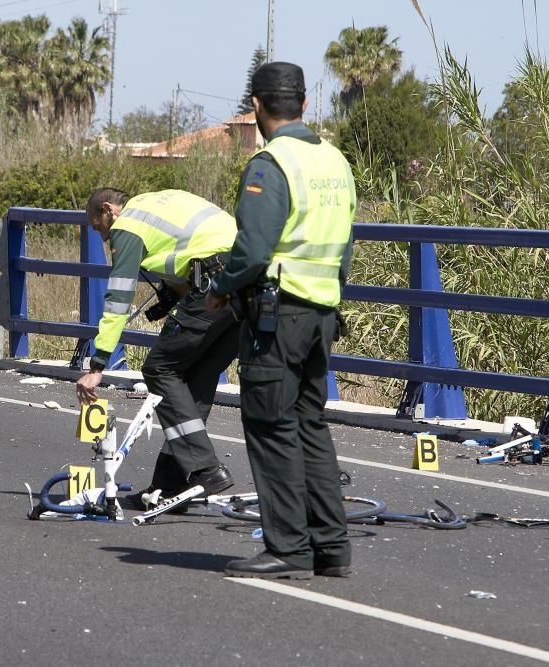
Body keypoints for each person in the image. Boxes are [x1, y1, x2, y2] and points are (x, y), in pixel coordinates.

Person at [206, 62, 357, 579]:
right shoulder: (334, 160)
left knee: (271, 425)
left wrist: (221, 291)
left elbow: (251, 251)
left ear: (256, 106)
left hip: (278, 312)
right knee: (311, 423)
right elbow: (344, 248)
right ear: (305, 104)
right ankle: (330, 550)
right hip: (322, 311)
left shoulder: (272, 164)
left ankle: (287, 548)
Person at [77, 188, 240, 509]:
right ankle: (168, 486)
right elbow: (194, 247)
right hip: (245, 283)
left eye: (99, 227)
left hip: (214, 284)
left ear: (109, 210)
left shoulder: (127, 226)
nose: (103, 238)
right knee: (193, 381)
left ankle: (207, 469)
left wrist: (97, 365)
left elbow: (119, 297)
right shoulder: (157, 202)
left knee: (158, 369)